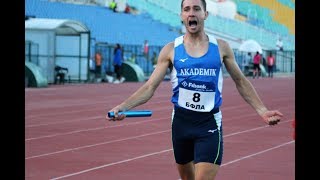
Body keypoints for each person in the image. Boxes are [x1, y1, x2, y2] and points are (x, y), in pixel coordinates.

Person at [107, 0, 283, 179]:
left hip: (209, 124)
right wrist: (123, 107)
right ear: (182, 16)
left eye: (197, 9)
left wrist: (262, 110)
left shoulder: (221, 48)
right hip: (181, 125)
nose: (191, 13)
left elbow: (240, 80)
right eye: (187, 9)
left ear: (205, 14)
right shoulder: (171, 50)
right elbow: (150, 86)